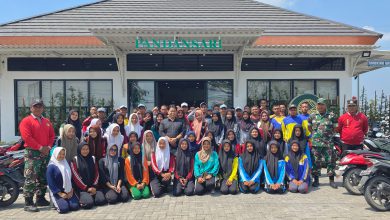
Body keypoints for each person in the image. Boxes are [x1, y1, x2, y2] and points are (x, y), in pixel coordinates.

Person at [19, 98, 55, 212]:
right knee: (31, 177)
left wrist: (48, 147)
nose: (38, 108)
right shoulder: (26, 121)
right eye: (35, 106)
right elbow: (27, 138)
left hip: (45, 153)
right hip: (32, 153)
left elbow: (52, 136)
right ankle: (28, 202)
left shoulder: (47, 121)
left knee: (43, 177)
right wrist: (40, 147)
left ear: (43, 108)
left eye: (40, 106)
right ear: (31, 108)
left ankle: (40, 198)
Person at [308, 98, 338, 188]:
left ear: (325, 105)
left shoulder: (331, 116)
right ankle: (316, 180)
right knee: (316, 161)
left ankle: (331, 180)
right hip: (316, 144)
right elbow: (309, 128)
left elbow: (335, 128)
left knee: (330, 161)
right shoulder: (312, 116)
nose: (320, 106)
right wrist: (316, 135)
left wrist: (327, 135)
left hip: (328, 143)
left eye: (322, 104)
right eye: (318, 104)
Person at [71, 142, 107, 209]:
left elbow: (97, 173)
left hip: (93, 187)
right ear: (79, 150)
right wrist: (86, 188)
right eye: (83, 149)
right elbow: (76, 177)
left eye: (87, 149)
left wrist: (94, 186)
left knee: (101, 201)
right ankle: (85, 198)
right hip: (82, 188)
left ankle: (91, 196)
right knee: (88, 204)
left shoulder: (92, 158)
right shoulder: (75, 160)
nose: (85, 151)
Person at [47, 147, 80, 214]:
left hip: (68, 190)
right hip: (57, 192)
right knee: (64, 209)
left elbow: (71, 178)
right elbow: (50, 182)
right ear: (55, 154)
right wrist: (60, 193)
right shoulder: (51, 167)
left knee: (75, 206)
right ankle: (58, 202)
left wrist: (71, 190)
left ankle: (67, 201)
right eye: (60, 154)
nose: (62, 156)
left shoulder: (66, 163)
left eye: (63, 154)